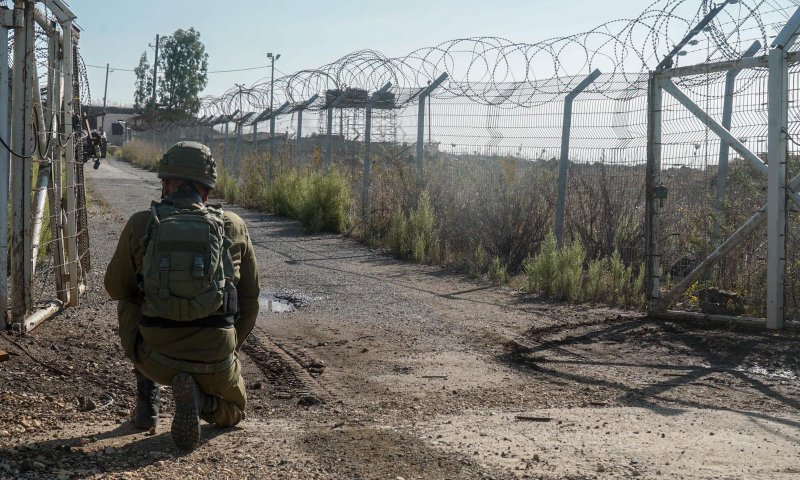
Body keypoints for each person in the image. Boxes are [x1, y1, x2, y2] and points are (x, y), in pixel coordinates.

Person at [104, 141, 260, 450]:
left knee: (130, 296)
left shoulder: (142, 223)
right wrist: (228, 350)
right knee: (236, 410)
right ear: (207, 190)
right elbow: (250, 302)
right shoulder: (235, 226)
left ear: (167, 184)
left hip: (155, 359)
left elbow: (115, 288)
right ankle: (204, 402)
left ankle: (147, 406)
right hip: (215, 361)